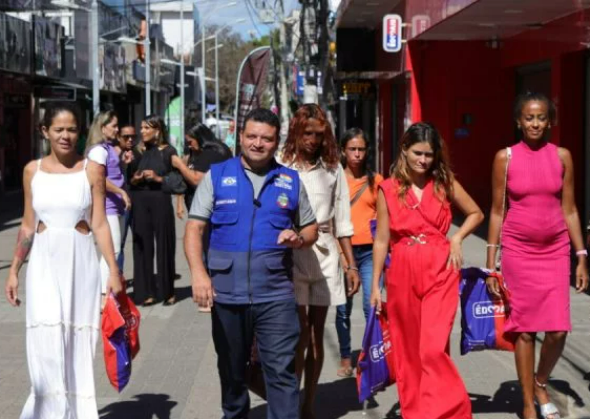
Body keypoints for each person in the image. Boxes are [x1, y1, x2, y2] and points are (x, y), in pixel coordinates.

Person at [185, 108, 318, 419]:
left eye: (266, 138)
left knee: (282, 372)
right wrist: (199, 274)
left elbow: (311, 227)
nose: (258, 143)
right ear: (241, 138)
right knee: (232, 373)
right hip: (227, 295)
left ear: (276, 142)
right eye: (252, 136)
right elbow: (194, 228)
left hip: (275, 295)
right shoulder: (217, 176)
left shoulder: (290, 180)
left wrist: (299, 237)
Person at [4, 102, 122, 418]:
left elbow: (99, 223)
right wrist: (14, 270)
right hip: (43, 262)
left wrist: (113, 270)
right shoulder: (33, 170)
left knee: (77, 341)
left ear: (80, 132)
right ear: (45, 132)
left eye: (71, 129)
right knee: (45, 338)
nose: (65, 136)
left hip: (80, 262)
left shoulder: (91, 170)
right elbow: (28, 225)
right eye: (58, 130)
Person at [485, 92, 589, 419]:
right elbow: (497, 211)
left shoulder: (562, 157)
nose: (534, 123)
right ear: (518, 120)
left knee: (558, 329)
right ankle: (529, 403)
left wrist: (581, 256)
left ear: (549, 121)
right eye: (528, 117)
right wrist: (491, 264)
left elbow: (570, 209)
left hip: (556, 250)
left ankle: (540, 380)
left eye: (541, 117)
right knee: (525, 330)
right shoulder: (506, 158)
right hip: (518, 251)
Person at [371, 122, 483, 419]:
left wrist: (457, 237)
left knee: (432, 350)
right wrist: (374, 285)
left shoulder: (445, 183)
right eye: (418, 153)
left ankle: (454, 412)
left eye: (429, 155)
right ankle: (418, 412)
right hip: (402, 271)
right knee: (408, 352)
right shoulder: (387, 188)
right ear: (404, 150)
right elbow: (382, 239)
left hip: (441, 268)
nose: (423, 160)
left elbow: (476, 213)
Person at [280, 104, 360, 418]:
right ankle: (291, 399)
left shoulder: (333, 168)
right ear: (296, 132)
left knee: (316, 332)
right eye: (307, 133)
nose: (312, 139)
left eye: (318, 133)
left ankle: (309, 403)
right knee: (298, 333)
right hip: (291, 256)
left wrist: (350, 265)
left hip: (326, 257)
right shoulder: (281, 164)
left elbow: (343, 219)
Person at [334, 127, 384, 377]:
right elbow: (331, 221)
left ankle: (368, 355)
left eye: (361, 149)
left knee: (370, 306)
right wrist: (342, 258)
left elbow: (387, 219)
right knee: (342, 308)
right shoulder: (335, 179)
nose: (356, 154)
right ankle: (345, 357)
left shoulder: (377, 181)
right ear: (343, 151)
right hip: (344, 252)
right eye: (352, 149)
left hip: (371, 253)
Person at [127, 115, 177, 306]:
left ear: (157, 130)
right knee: (142, 245)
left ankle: (168, 291)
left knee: (165, 244)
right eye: (142, 128)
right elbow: (129, 180)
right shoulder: (136, 152)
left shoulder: (168, 151)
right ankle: (146, 292)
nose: (142, 132)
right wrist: (136, 178)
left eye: (147, 128)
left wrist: (157, 178)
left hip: (160, 199)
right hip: (140, 200)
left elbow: (176, 179)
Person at [86, 110, 131, 297]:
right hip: (106, 208)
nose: (117, 129)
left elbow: (113, 174)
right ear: (102, 128)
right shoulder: (98, 151)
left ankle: (105, 292)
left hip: (114, 207)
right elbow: (98, 179)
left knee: (113, 249)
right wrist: (121, 191)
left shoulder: (108, 148)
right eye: (113, 126)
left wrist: (125, 165)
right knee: (111, 251)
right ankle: (104, 294)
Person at [173, 123, 232, 219]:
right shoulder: (196, 150)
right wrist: (179, 202)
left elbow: (197, 180)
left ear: (200, 138)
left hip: (210, 208)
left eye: (190, 142)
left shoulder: (212, 152)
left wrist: (179, 165)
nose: (189, 146)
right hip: (198, 206)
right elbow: (184, 175)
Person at [116, 124, 137, 272]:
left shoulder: (138, 153)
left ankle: (142, 280)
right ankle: (118, 279)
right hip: (120, 205)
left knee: (141, 242)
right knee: (119, 243)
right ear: (118, 137)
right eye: (126, 137)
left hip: (138, 202)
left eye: (133, 137)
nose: (130, 140)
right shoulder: (113, 155)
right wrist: (123, 162)